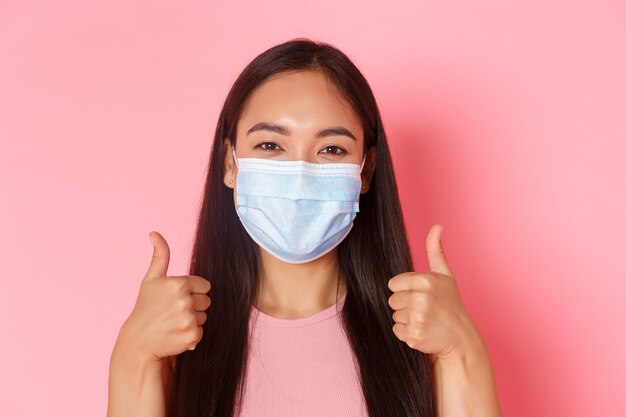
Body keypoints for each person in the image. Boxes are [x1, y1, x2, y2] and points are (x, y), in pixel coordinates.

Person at [107, 38, 503, 417]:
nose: (299, 176)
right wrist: (133, 356)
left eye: (331, 149)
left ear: (365, 172)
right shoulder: (173, 339)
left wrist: (462, 348)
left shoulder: (424, 334)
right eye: (270, 146)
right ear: (230, 163)